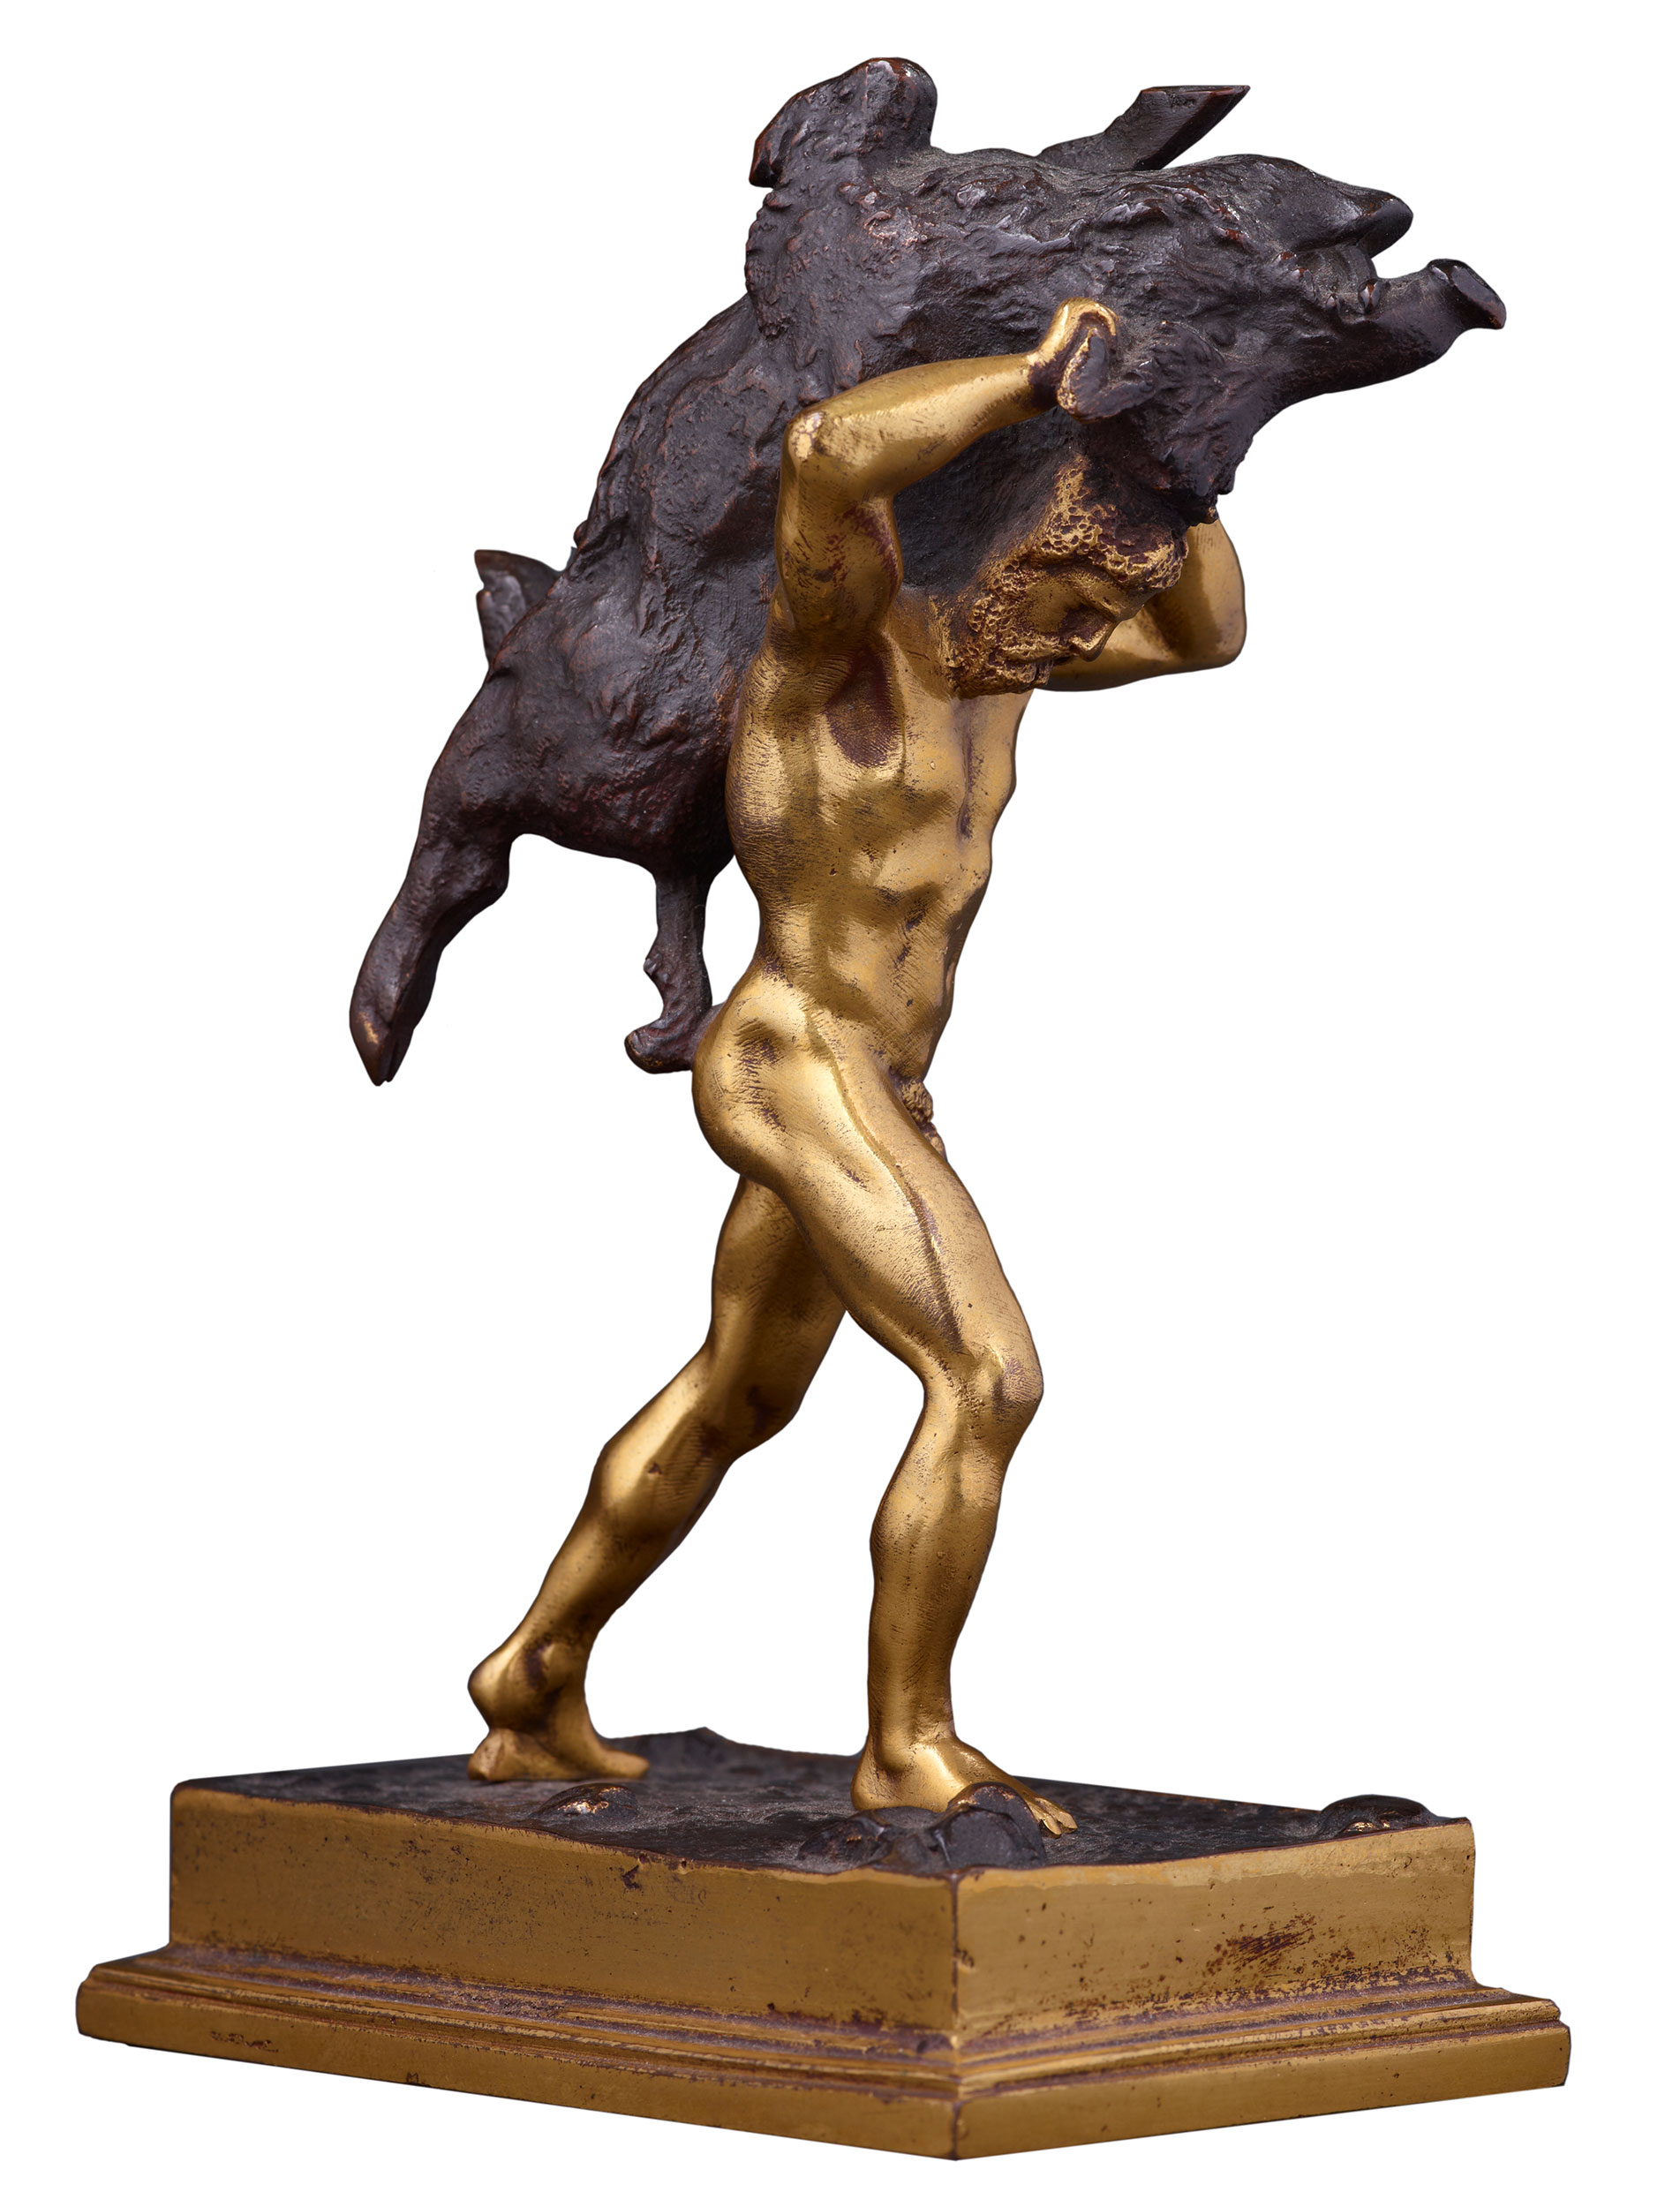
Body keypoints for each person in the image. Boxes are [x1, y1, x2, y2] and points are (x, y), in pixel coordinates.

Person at [467, 299, 1247, 1830]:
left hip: (881, 1091)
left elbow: (1206, 631)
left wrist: (1181, 463)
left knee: (738, 1393)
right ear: (1012, 548)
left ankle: (530, 1677)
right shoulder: (839, 649)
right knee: (987, 1375)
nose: (1092, 635)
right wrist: (1034, 379)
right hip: (792, 1055)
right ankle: (907, 1745)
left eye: (1102, 608)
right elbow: (827, 450)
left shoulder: (1009, 665)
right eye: (1076, 595)